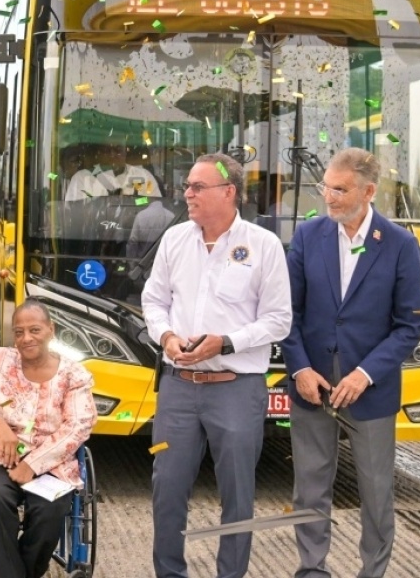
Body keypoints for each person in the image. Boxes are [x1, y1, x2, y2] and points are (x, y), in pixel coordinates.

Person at [141, 153, 291, 578]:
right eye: (187, 186)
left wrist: (224, 343)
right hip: (177, 389)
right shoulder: (174, 240)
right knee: (166, 488)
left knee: (238, 495)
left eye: (197, 187)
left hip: (237, 389)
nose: (187, 193)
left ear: (229, 192)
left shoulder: (263, 246)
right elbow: (154, 301)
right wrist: (167, 336)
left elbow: (279, 320)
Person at [282, 148, 420, 578]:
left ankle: (373, 572)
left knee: (377, 493)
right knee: (310, 488)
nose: (329, 196)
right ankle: (312, 569)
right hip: (312, 386)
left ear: (368, 191)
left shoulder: (400, 244)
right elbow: (288, 313)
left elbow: (407, 325)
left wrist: (364, 374)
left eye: (339, 189)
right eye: (326, 187)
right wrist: (300, 368)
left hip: (371, 390)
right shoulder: (308, 236)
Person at [0, 300, 97, 578]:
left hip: (52, 465)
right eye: (19, 332)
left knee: (51, 509)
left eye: (35, 330)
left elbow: (79, 425)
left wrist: (34, 464)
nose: (26, 338)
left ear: (51, 330)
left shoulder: (74, 375)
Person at [97, 144, 161, 197]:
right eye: (107, 151)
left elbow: (153, 203)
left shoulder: (144, 176)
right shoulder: (95, 179)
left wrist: (135, 202)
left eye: (118, 150)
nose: (112, 155)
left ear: (126, 151)